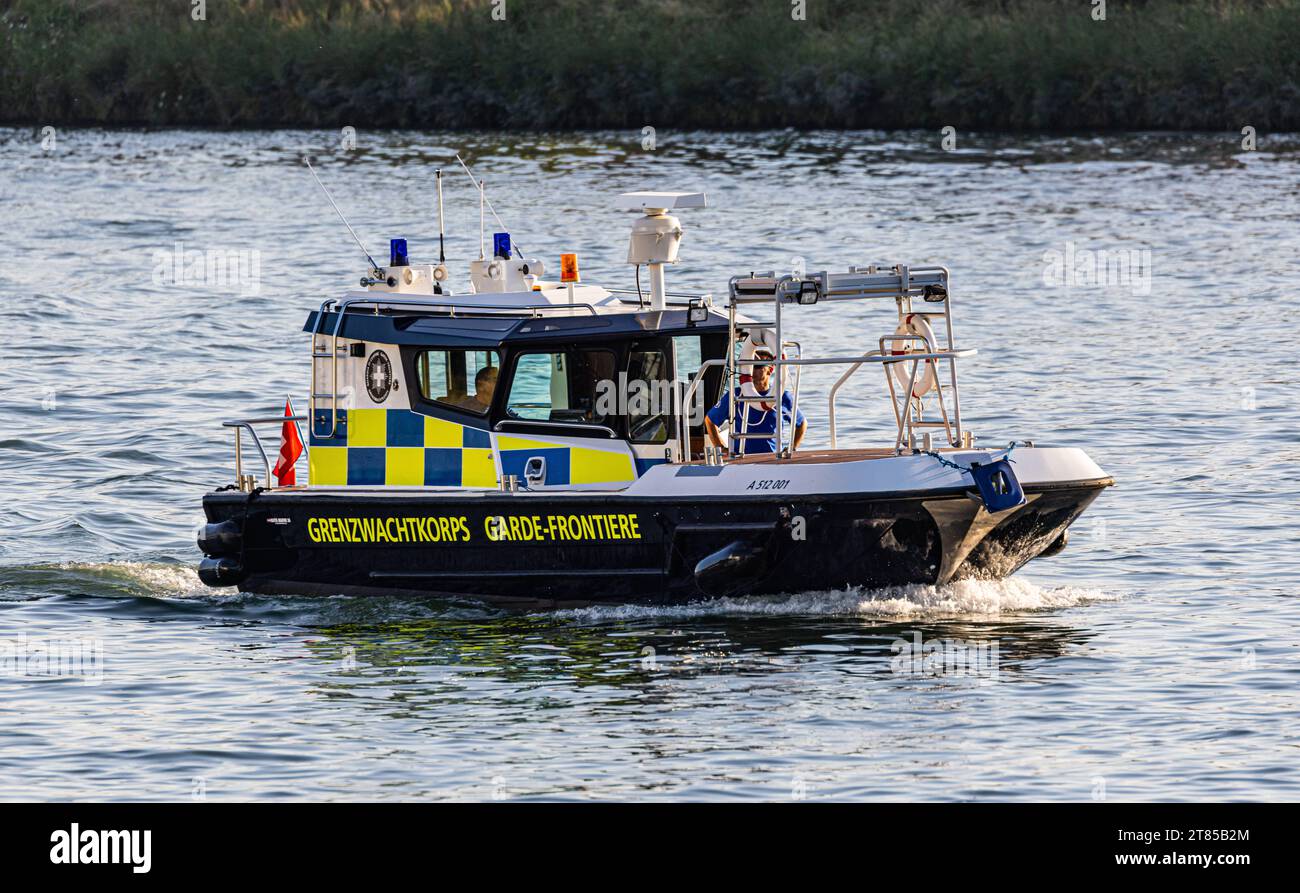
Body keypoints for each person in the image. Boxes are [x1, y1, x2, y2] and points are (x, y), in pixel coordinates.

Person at [703, 350, 806, 455]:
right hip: (741, 458)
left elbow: (801, 423)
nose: (751, 370)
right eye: (749, 366)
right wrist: (721, 448)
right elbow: (710, 421)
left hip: (772, 457)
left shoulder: (783, 397)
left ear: (770, 370)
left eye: (757, 366)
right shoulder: (735, 395)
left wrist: (792, 448)